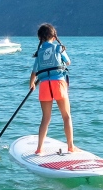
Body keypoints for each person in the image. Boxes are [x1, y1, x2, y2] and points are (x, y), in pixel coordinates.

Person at [28, 23, 76, 154]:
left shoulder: (39, 52)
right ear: (54, 37)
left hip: (44, 85)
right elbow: (68, 62)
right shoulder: (58, 48)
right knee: (66, 116)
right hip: (58, 83)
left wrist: (32, 84)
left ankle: (39, 148)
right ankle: (71, 146)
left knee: (46, 118)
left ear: (40, 38)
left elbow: (34, 71)